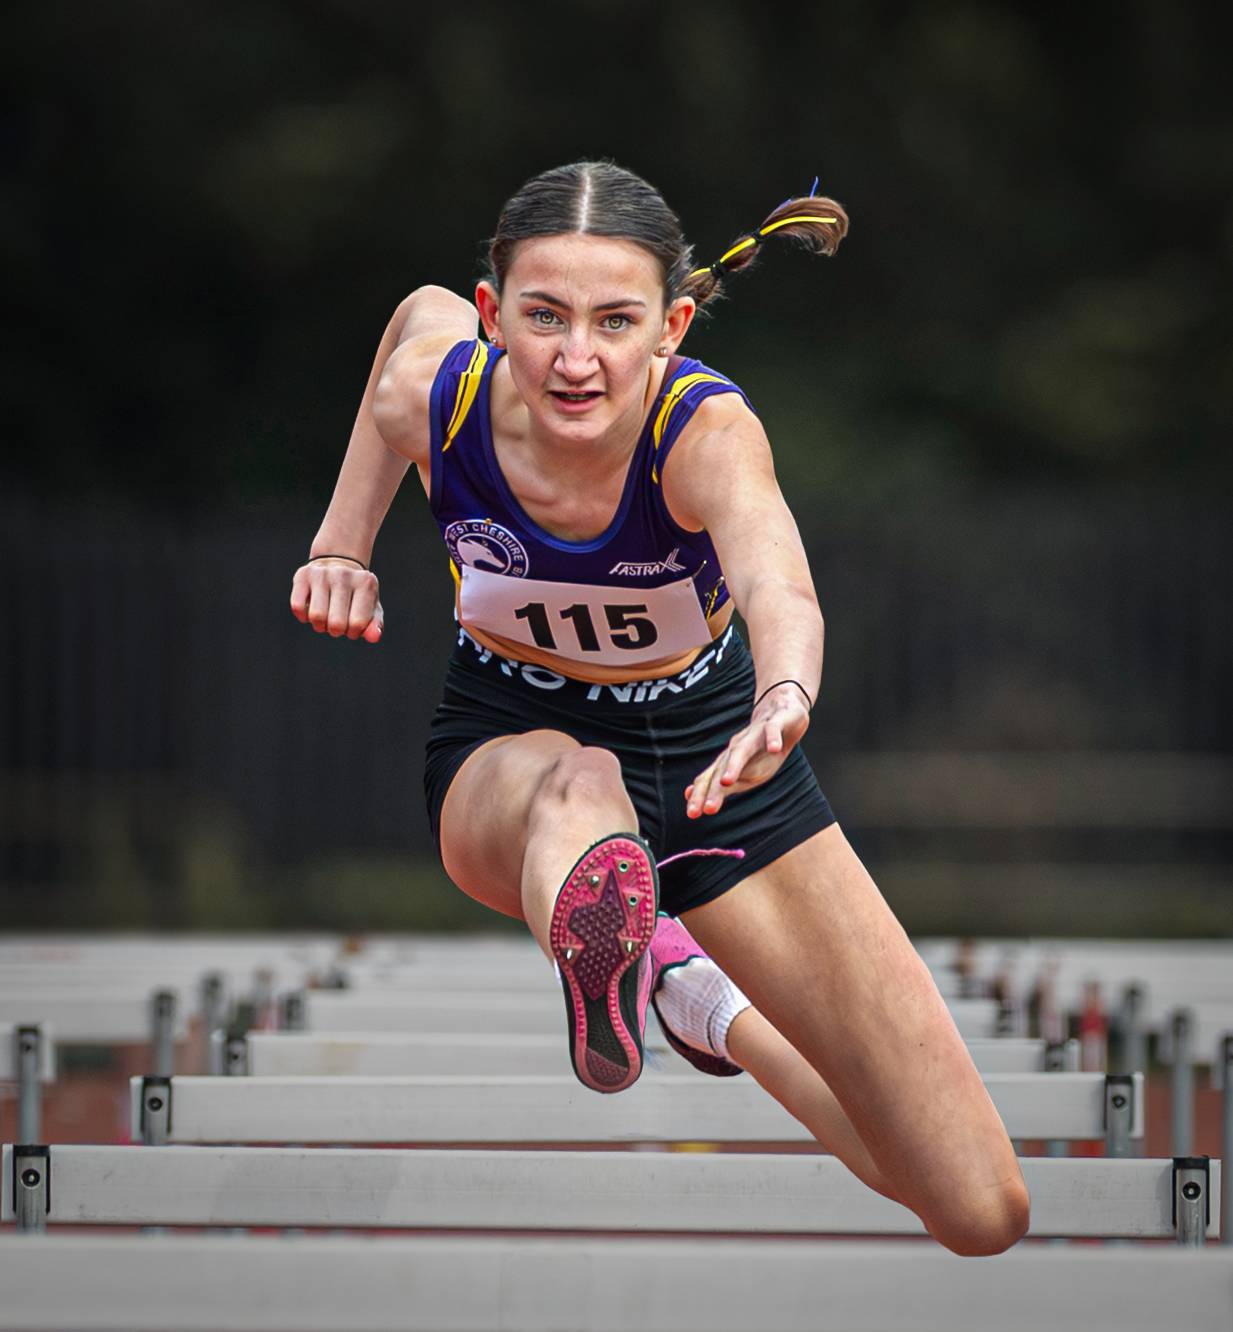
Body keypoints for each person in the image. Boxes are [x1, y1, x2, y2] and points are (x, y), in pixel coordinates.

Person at [290, 160, 1029, 1256]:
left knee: (978, 1210)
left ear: (671, 329)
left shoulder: (705, 437)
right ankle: (621, 927)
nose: (576, 360)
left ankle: (686, 987)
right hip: (512, 756)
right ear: (492, 318)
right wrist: (341, 542)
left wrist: (783, 691)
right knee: (581, 786)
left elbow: (780, 584)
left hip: (718, 767)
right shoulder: (434, 398)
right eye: (542, 317)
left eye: (614, 322)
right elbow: (414, 317)